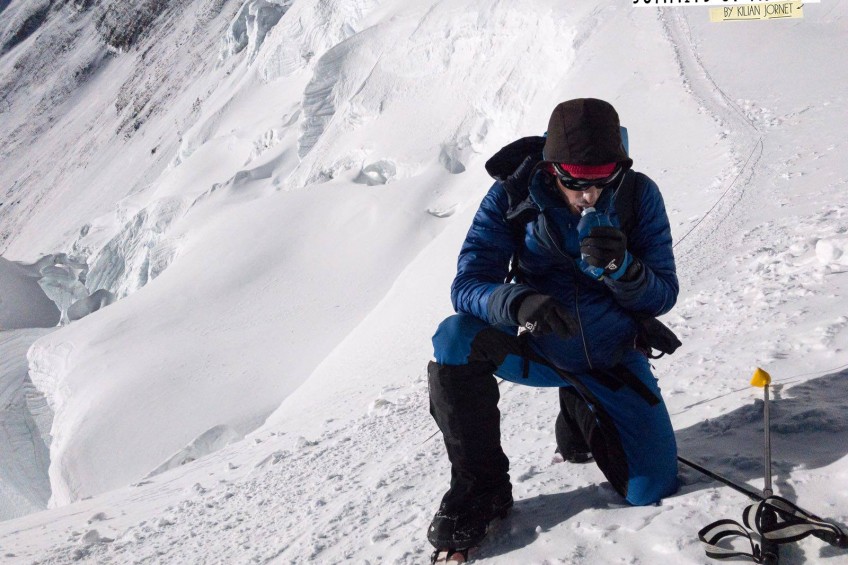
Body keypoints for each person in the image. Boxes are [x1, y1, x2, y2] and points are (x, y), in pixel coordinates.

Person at [426, 98, 680, 558]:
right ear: (550, 168)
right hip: (536, 347)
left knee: (649, 488)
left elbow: (663, 293)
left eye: (602, 183)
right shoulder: (512, 195)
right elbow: (468, 283)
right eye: (574, 183)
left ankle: (582, 410)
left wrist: (622, 269)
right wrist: (515, 301)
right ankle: (481, 490)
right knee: (454, 337)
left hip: (609, 356)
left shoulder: (640, 195)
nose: (588, 197)